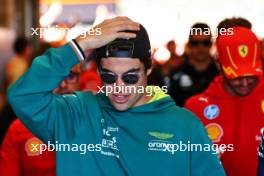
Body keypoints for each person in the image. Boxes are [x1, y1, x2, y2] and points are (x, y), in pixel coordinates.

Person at [7, 17, 225, 176]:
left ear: (148, 70)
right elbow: (23, 96)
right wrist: (81, 44)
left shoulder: (186, 126)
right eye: (109, 77)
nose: (119, 87)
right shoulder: (76, 114)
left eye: (130, 78)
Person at [185, 27, 264, 176]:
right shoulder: (195, 108)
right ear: (218, 64)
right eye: (235, 75)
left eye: (252, 74)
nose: (245, 82)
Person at [0, 67, 81, 176]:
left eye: (70, 76)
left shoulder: (95, 123)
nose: (62, 84)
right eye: (54, 76)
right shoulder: (18, 129)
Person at [169, 23, 219, 106]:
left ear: (211, 44)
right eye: (195, 43)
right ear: (189, 45)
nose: (200, 47)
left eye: (205, 43)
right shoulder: (176, 74)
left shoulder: (220, 73)